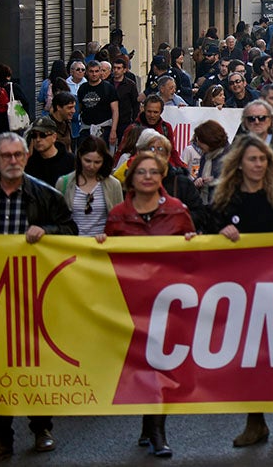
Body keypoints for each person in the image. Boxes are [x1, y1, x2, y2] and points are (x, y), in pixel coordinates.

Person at [0, 132, 77, 463]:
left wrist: (46, 231)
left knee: (37, 363)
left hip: (36, 293)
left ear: (26, 156)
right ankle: (0, 436)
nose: (12, 161)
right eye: (5, 156)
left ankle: (41, 428)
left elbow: (71, 232)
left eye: (17, 155)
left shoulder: (45, 195)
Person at [99, 152, 196, 458]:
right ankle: (147, 421)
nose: (148, 177)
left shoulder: (178, 211)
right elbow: (109, 261)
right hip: (131, 303)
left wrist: (194, 241)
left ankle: (157, 429)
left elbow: (192, 256)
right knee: (140, 364)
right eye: (142, 172)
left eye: (154, 172)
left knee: (161, 365)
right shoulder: (117, 215)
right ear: (131, 178)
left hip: (166, 302)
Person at [212, 135, 273, 448]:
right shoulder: (227, 196)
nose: (257, 164)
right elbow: (209, 224)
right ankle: (255, 421)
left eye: (262, 159)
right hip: (240, 287)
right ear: (239, 162)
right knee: (248, 354)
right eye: (252, 159)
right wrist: (220, 230)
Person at [54, 135, 123, 238]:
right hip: (72, 246)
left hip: (102, 246)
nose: (91, 166)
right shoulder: (64, 183)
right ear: (80, 156)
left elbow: (120, 220)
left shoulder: (114, 185)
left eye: (97, 162)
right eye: (87, 161)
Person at [76, 60, 120, 148]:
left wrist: (113, 130)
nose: (94, 74)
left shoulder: (108, 88)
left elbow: (115, 111)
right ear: (87, 72)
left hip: (104, 129)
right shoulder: (82, 88)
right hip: (86, 129)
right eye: (91, 71)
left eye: (96, 71)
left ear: (100, 72)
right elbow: (79, 108)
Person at [24, 117, 76, 186]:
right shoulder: (30, 164)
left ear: (54, 137)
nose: (38, 139)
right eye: (34, 136)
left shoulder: (70, 161)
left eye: (43, 135)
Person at [190, 120, 230, 205]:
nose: (198, 143)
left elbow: (233, 182)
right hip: (204, 204)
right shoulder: (205, 156)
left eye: (200, 140)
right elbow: (199, 176)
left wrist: (213, 180)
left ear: (210, 141)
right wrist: (197, 182)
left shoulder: (230, 157)